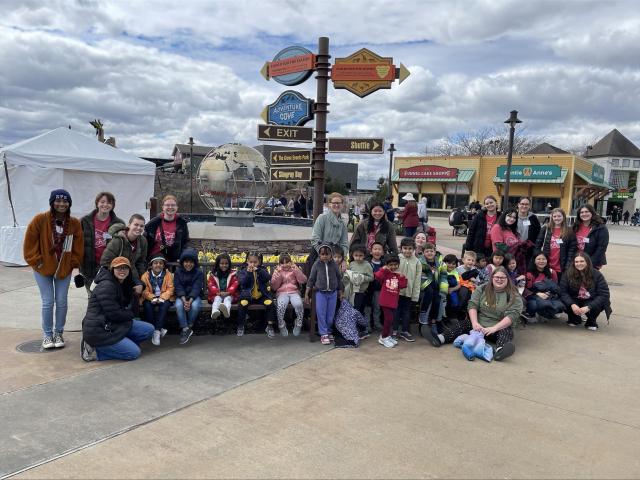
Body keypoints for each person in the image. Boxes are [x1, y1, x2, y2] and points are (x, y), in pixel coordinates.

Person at [23, 189, 84, 350]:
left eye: (65, 201)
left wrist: (73, 263)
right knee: (48, 301)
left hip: (64, 268)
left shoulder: (74, 223)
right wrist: (37, 262)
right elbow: (29, 243)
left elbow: (78, 247)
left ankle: (59, 332)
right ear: (52, 202)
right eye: (58, 201)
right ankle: (47, 334)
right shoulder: (40, 220)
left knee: (62, 301)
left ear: (69, 204)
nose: (61, 204)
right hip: (42, 268)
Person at [423, 266, 523, 361]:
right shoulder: (483, 288)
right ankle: (439, 339)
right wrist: (475, 323)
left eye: (502, 278)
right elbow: (472, 305)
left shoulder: (513, 295)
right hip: (478, 325)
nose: (499, 280)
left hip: (497, 327)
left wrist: (494, 328)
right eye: (497, 277)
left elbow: (512, 315)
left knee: (506, 332)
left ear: (507, 279)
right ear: (492, 278)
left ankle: (500, 351)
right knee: (462, 324)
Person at [80, 257, 154, 362]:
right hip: (99, 330)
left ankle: (121, 344)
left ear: (129, 270)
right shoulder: (107, 285)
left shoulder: (122, 282)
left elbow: (135, 281)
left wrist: (140, 284)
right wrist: (130, 314)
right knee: (134, 353)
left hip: (114, 324)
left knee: (149, 329)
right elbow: (114, 314)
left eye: (125, 268)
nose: (122, 270)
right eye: (118, 268)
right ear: (112, 270)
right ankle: (97, 349)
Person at [79, 192, 124, 295]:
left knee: (107, 294)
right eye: (102, 202)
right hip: (88, 265)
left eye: (109, 202)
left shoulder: (119, 223)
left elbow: (123, 245)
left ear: (113, 205)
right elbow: (75, 243)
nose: (105, 205)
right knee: (92, 295)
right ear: (97, 203)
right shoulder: (84, 221)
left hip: (108, 266)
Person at [559, 252, 611, 331]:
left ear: (587, 261)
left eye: (582, 261)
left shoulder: (597, 274)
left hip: (590, 299)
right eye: (576, 262)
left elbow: (604, 294)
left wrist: (589, 307)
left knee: (599, 304)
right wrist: (572, 304)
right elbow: (563, 292)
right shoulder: (567, 273)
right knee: (565, 302)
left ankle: (591, 321)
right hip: (574, 299)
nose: (579, 263)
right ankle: (574, 318)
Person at [100, 214, 148, 295]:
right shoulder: (118, 241)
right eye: (136, 225)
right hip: (116, 276)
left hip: (132, 275)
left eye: (141, 226)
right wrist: (119, 275)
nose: (139, 228)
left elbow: (141, 262)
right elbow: (105, 261)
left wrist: (142, 281)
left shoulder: (143, 241)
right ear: (129, 225)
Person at [305, 244, 343, 345]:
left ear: (331, 255)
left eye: (327, 254)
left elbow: (339, 278)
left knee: (330, 314)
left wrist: (340, 291)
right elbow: (311, 279)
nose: (325, 256)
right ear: (319, 254)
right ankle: (323, 333)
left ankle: (328, 330)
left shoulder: (334, 264)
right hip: (320, 293)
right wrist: (307, 293)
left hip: (333, 293)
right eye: (322, 254)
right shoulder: (317, 264)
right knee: (321, 313)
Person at [237, 252, 276, 338]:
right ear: (247, 261)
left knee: (270, 303)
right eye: (251, 262)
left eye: (255, 262)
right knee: (242, 304)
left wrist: (258, 270)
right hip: (248, 296)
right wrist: (249, 273)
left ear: (259, 262)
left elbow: (267, 278)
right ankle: (241, 326)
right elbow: (243, 283)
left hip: (261, 295)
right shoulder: (243, 271)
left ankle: (270, 326)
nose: (253, 264)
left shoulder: (262, 269)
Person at [140, 254, 175, 346]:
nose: (158, 265)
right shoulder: (145, 276)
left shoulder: (168, 275)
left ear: (163, 265)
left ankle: (157, 331)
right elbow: (144, 291)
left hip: (164, 297)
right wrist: (153, 298)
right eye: (155, 263)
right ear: (151, 265)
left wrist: (162, 298)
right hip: (150, 297)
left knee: (164, 306)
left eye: (160, 263)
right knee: (147, 306)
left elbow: (170, 289)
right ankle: (155, 328)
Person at [144, 194, 190, 263]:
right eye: (167, 205)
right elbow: (145, 239)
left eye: (173, 205)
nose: (170, 207)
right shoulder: (153, 222)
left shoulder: (181, 223)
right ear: (163, 207)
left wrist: (184, 256)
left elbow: (185, 241)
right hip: (155, 258)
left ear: (177, 207)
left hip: (174, 257)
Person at [374, 254, 408, 348]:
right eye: (391, 265)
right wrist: (383, 269)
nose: (393, 267)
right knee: (388, 319)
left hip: (393, 302)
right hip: (385, 301)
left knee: (391, 320)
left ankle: (387, 336)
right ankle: (383, 338)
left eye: (395, 264)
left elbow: (403, 285)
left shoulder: (397, 275)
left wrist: (401, 277)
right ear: (387, 265)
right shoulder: (385, 273)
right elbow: (377, 276)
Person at [270, 253, 307, 337]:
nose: (285, 265)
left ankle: (298, 323)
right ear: (279, 264)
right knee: (281, 305)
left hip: (294, 292)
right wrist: (277, 275)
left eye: (287, 262)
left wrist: (297, 270)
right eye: (282, 263)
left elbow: (303, 280)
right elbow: (274, 287)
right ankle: (281, 324)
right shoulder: (277, 271)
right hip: (282, 293)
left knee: (298, 304)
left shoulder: (294, 269)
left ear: (291, 262)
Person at [534, 208, 577, 279]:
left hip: (561, 266)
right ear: (552, 217)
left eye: (559, 216)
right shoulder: (546, 228)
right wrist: (538, 261)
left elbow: (571, 250)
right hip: (546, 265)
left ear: (563, 217)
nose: (557, 218)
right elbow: (538, 245)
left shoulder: (569, 231)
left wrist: (567, 265)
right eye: (555, 216)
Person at [173, 248, 204, 345]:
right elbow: (178, 286)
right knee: (178, 306)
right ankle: (185, 328)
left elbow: (197, 287)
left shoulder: (198, 272)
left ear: (195, 263)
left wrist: (189, 301)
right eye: (186, 262)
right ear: (182, 262)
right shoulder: (178, 272)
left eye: (191, 262)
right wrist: (183, 299)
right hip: (181, 296)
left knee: (195, 306)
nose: (188, 264)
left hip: (194, 296)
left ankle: (189, 325)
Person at [522, 253, 564, 322]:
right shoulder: (529, 274)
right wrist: (538, 293)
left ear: (547, 260)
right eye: (538, 259)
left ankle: (545, 314)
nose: (541, 261)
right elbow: (527, 289)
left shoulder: (552, 272)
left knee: (560, 304)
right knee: (534, 305)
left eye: (543, 259)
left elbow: (555, 286)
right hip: (533, 295)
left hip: (549, 295)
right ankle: (531, 313)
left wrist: (549, 293)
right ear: (534, 261)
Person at [310, 192, 349, 266]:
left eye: (339, 203)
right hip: (320, 258)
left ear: (342, 205)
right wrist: (324, 254)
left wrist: (343, 259)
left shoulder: (342, 223)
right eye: (334, 203)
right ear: (329, 204)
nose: (336, 205)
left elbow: (344, 243)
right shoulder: (322, 218)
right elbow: (315, 239)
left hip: (336, 259)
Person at [394, 237, 421, 341]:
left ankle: (405, 331)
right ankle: (395, 330)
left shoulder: (417, 262)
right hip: (396, 291)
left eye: (410, 248)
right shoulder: (397, 258)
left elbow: (417, 280)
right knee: (396, 311)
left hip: (409, 292)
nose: (407, 251)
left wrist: (415, 295)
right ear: (401, 248)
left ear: (414, 249)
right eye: (405, 248)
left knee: (406, 311)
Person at [418, 243, 445, 338]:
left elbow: (443, 276)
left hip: (436, 285)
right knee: (429, 292)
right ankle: (423, 322)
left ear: (435, 251)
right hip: (424, 284)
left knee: (438, 299)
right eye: (427, 251)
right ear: (423, 252)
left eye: (431, 251)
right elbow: (419, 276)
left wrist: (443, 289)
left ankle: (434, 322)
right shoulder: (420, 261)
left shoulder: (440, 262)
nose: (429, 253)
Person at [491, 208, 528, 273]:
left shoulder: (511, 230)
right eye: (509, 216)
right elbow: (498, 245)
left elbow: (517, 244)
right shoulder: (497, 227)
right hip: (502, 262)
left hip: (512, 263)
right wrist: (515, 248)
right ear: (504, 215)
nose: (511, 219)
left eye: (514, 217)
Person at [573, 204, 609, 269]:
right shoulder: (576, 226)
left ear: (592, 212)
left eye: (586, 212)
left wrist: (590, 263)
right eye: (582, 212)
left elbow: (601, 248)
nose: (584, 214)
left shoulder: (601, 228)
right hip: (578, 261)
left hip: (592, 262)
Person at [207, 253, 239, 320]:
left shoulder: (232, 274)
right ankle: (214, 311)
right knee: (217, 299)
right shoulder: (213, 274)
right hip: (217, 294)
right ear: (218, 264)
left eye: (226, 263)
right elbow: (211, 285)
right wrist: (217, 292)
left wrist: (228, 292)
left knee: (228, 299)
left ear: (229, 264)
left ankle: (226, 311)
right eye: (222, 263)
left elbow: (235, 284)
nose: (224, 265)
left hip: (229, 294)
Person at [365, 242, 385, 331]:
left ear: (383, 252)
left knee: (377, 307)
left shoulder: (384, 265)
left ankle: (377, 323)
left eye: (379, 249)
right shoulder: (367, 263)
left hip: (379, 290)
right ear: (371, 252)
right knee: (367, 307)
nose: (377, 251)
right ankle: (367, 324)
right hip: (368, 289)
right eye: (375, 249)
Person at [515, 197, 541, 266]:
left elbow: (538, 233)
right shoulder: (513, 216)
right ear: (518, 205)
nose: (524, 206)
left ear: (529, 206)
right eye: (522, 204)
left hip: (529, 250)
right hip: (514, 249)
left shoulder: (533, 218)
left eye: (526, 204)